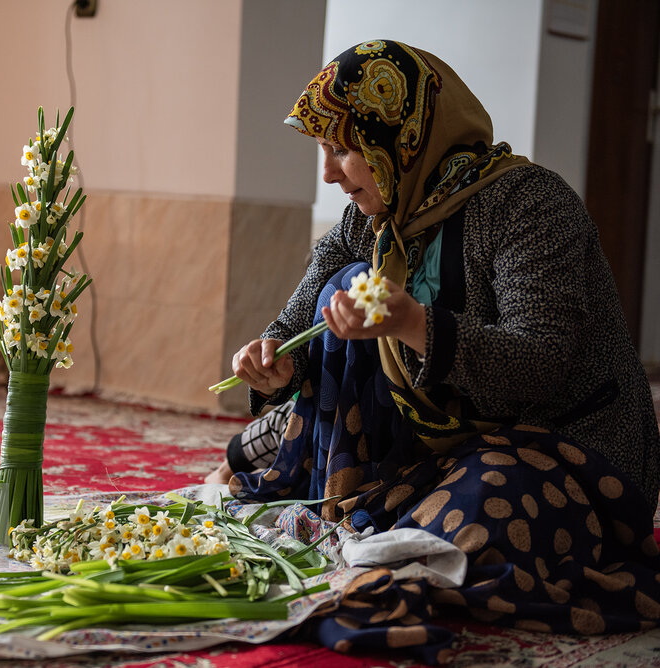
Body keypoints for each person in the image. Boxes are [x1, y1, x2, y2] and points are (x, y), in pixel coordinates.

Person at [225, 39, 660, 662]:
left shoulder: (529, 205)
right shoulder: (375, 216)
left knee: (489, 505)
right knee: (344, 289)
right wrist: (273, 361)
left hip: (560, 444)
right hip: (441, 439)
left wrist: (413, 323)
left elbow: (543, 365)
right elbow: (298, 318)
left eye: (342, 149)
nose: (327, 174)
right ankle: (305, 460)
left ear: (398, 139)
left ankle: (337, 495)